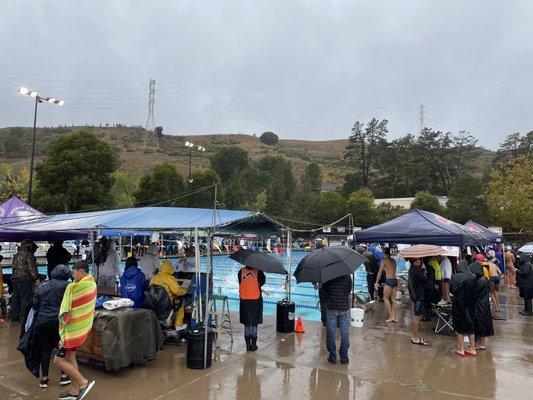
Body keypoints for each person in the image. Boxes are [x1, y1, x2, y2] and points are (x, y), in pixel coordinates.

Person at [54, 260, 97, 400]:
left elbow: (68, 309)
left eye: (74, 271)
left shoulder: (77, 287)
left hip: (72, 332)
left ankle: (83, 383)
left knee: (58, 360)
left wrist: (70, 287)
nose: (72, 274)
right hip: (80, 330)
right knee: (70, 357)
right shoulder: (91, 283)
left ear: (82, 271)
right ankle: (74, 391)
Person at [32, 264, 71, 389]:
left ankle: (44, 379)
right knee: (61, 349)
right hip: (58, 322)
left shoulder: (41, 286)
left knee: (45, 349)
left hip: (42, 322)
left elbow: (35, 305)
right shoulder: (67, 286)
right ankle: (64, 376)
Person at [322, 274, 352, 364]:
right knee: (345, 333)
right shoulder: (347, 276)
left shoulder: (328, 275)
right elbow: (348, 291)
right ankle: (344, 357)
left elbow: (324, 290)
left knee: (331, 332)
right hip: (344, 307)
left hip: (332, 307)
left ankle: (332, 357)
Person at [450, 260, 477, 356]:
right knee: (471, 326)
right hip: (471, 304)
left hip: (459, 304)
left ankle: (461, 349)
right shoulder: (473, 276)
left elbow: (452, 289)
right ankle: (473, 348)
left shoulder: (455, 277)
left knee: (459, 327)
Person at [11, 240, 38, 327]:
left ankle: (14, 317)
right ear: (29, 246)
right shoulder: (29, 255)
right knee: (25, 299)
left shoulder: (16, 255)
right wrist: (36, 278)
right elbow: (31, 268)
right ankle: (23, 317)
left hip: (15, 279)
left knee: (16, 298)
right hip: (25, 279)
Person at [238, 265, 266, 352]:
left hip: (244, 300)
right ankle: (253, 345)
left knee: (247, 324)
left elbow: (240, 282)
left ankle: (247, 345)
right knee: (254, 323)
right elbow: (262, 282)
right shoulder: (259, 271)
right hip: (255, 300)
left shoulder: (241, 271)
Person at [470, 261, 494, 351]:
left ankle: (479, 344)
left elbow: (474, 293)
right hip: (484, 304)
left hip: (479, 305)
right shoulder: (484, 279)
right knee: (483, 324)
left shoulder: (478, 281)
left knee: (479, 324)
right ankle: (481, 343)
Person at [408, 257, 428, 346]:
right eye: (417, 260)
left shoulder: (411, 270)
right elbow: (424, 280)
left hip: (414, 296)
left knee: (416, 316)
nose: (419, 261)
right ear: (413, 262)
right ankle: (415, 337)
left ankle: (415, 336)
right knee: (417, 316)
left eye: (420, 260)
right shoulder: (417, 271)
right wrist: (423, 270)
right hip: (418, 296)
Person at [375, 247, 398, 323]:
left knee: (385, 298)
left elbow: (380, 272)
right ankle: (394, 316)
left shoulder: (384, 260)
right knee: (393, 299)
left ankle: (391, 316)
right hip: (395, 280)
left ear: (384, 253)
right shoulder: (393, 260)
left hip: (389, 280)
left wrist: (377, 282)